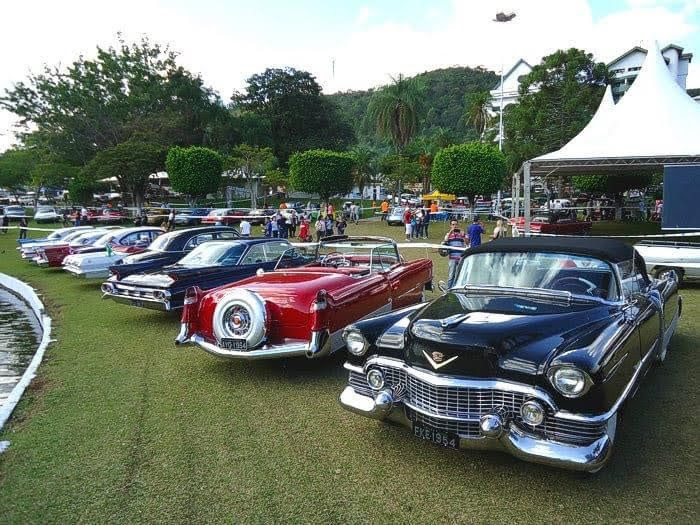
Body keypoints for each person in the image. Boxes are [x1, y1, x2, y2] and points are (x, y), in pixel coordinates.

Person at [443, 220, 466, 288]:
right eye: (453, 224)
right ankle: (449, 290)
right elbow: (445, 241)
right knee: (451, 276)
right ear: (450, 226)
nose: (454, 226)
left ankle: (457, 289)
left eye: (456, 224)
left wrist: (464, 235)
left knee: (459, 276)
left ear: (458, 225)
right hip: (452, 259)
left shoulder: (462, 234)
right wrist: (450, 231)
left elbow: (467, 242)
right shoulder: (448, 235)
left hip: (460, 258)